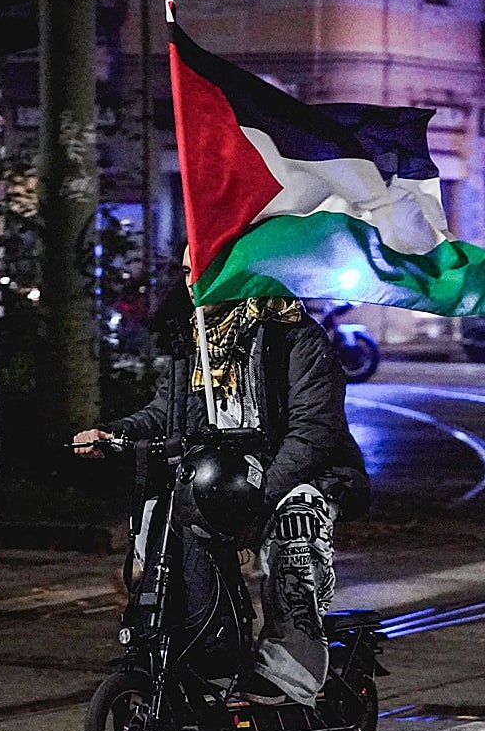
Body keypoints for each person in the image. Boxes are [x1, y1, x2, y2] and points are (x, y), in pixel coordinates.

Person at [72, 247, 369, 707]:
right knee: (161, 518)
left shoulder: (297, 338)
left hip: (300, 475)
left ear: (235, 274)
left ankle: (290, 672)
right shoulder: (199, 341)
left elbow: (312, 435)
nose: (191, 283)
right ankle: (205, 645)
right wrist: (114, 434)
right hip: (220, 475)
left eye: (202, 271)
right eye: (188, 271)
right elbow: (166, 414)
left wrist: (261, 500)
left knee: (296, 529)